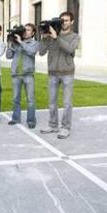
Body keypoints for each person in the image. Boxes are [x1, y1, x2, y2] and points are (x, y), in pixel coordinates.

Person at [39, 11, 80, 139]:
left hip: (67, 73)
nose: (64, 22)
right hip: (52, 73)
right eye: (62, 20)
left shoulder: (75, 36)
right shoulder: (51, 36)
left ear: (72, 22)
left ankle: (66, 128)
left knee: (67, 103)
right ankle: (52, 125)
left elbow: (69, 49)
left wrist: (57, 37)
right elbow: (41, 52)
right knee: (52, 102)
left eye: (67, 20)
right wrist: (45, 38)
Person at [6, 23, 39, 128]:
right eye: (25, 30)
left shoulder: (34, 43)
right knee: (16, 98)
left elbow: (31, 52)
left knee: (30, 99)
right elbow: (8, 56)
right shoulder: (16, 43)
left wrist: (21, 42)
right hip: (16, 74)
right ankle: (15, 118)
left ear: (33, 33)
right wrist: (10, 44)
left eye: (29, 30)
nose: (26, 31)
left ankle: (31, 120)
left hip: (28, 75)